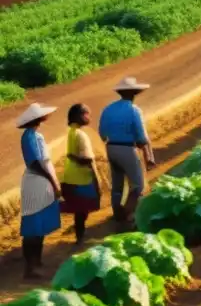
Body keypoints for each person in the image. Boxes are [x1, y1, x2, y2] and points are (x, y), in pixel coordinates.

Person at [99, 77, 155, 225]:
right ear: (134, 93)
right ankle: (127, 212)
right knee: (137, 185)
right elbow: (141, 137)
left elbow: (102, 133)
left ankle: (117, 213)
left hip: (111, 147)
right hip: (127, 149)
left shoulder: (108, 109)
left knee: (117, 186)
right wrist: (147, 153)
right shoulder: (134, 110)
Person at [16, 103, 61, 278]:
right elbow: (37, 163)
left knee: (38, 225)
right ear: (38, 119)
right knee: (34, 226)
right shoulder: (31, 137)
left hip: (38, 180)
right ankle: (31, 267)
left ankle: (36, 262)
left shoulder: (32, 135)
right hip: (37, 181)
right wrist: (53, 182)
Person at [60, 103, 102, 244]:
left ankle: (79, 235)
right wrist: (97, 179)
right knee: (83, 209)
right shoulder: (81, 134)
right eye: (87, 114)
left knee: (79, 209)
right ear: (79, 116)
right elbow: (88, 160)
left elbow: (72, 155)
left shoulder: (71, 132)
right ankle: (81, 237)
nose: (89, 117)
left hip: (70, 176)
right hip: (82, 178)